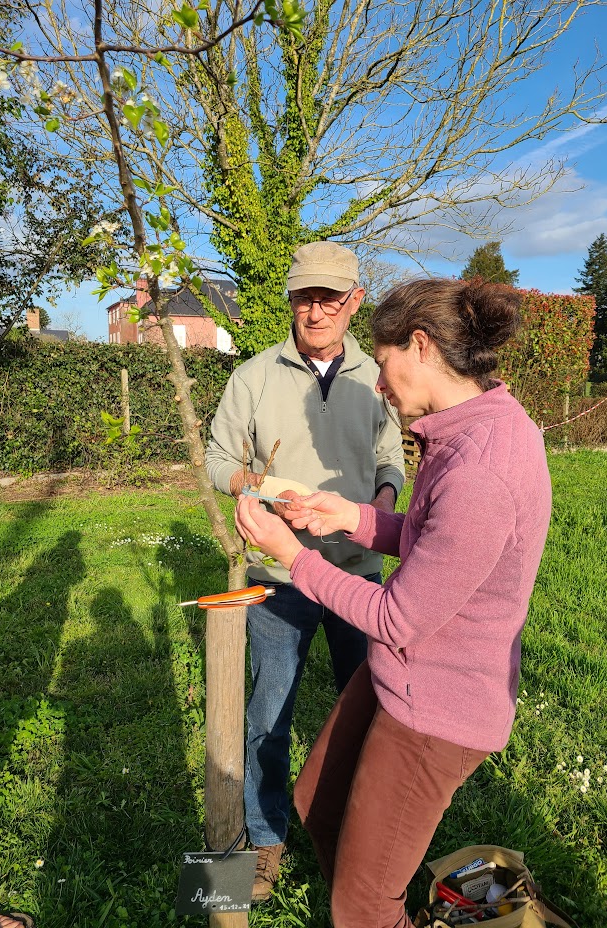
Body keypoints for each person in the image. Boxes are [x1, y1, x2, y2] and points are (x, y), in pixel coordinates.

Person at [234, 277, 553, 928]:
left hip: (439, 707)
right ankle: (381, 898)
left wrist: (294, 556)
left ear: (421, 345)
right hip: (402, 675)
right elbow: (434, 541)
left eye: (382, 365)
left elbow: (397, 616)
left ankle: (392, 910)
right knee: (317, 802)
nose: (378, 384)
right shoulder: (473, 427)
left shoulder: (480, 468)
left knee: (361, 903)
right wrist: (348, 516)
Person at [204, 241, 405, 900]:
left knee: (369, 708)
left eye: (330, 297)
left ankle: (356, 830)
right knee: (269, 711)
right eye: (304, 296)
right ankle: (265, 842)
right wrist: (255, 482)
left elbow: (389, 458)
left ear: (353, 301)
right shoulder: (253, 378)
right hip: (279, 577)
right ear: (290, 299)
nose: (315, 311)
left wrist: (378, 505)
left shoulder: (378, 378)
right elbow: (216, 458)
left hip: (356, 575)